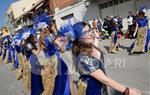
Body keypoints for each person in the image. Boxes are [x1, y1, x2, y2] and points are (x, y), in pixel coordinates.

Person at [72, 21, 141, 95]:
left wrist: (97, 37)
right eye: (85, 32)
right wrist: (127, 90)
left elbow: (95, 48)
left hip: (101, 86)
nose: (90, 33)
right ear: (78, 38)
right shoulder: (84, 58)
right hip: (94, 90)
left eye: (89, 30)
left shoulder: (90, 46)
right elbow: (104, 80)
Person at [39, 22, 75, 95]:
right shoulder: (51, 36)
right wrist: (66, 40)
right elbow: (63, 49)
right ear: (48, 28)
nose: (54, 27)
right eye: (53, 26)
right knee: (67, 81)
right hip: (57, 62)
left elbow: (50, 50)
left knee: (55, 85)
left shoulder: (41, 38)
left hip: (48, 63)